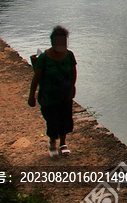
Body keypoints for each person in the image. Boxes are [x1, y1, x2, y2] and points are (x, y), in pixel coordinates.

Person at [28, 26, 77, 157]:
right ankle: (52, 143)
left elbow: (73, 73)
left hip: (65, 94)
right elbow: (36, 77)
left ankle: (63, 143)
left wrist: (72, 88)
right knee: (52, 120)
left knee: (65, 119)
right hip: (48, 96)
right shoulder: (44, 58)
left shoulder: (69, 55)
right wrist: (31, 95)